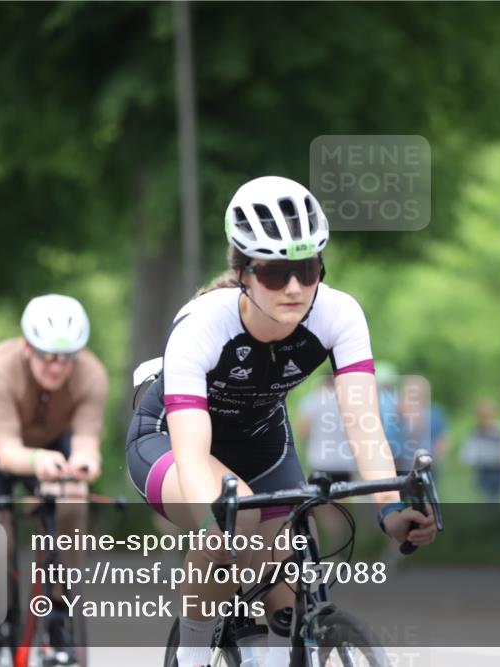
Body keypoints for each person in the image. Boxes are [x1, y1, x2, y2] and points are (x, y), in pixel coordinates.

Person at [126, 176, 436, 667]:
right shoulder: (203, 326)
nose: (294, 287)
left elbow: (364, 425)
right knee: (238, 520)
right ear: (243, 272)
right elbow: (191, 451)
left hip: (262, 443)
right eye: (274, 274)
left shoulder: (340, 314)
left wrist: (390, 510)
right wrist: (218, 525)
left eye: (307, 268)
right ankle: (189, 655)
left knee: (291, 586)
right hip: (169, 440)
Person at [0, 294, 109, 667]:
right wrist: (39, 460)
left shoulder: (92, 375)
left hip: (53, 438)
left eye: (66, 357)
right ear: (27, 347)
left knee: (74, 499)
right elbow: (7, 453)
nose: (57, 367)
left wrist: (83, 466)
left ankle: (59, 611)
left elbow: (87, 446)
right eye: (47, 356)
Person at [295, 375, 355, 483]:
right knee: (342, 496)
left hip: (319, 459)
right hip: (344, 460)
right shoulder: (348, 401)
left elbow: (302, 430)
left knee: (320, 496)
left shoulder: (313, 399)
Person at [460, 400, 500, 501]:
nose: (485, 419)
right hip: (483, 471)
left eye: (487, 416)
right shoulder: (475, 434)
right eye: (482, 416)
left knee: (496, 498)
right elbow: (468, 456)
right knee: (484, 498)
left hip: (499, 471)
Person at [394, 375, 449, 475]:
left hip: (427, 465)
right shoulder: (397, 412)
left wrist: (435, 459)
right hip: (402, 467)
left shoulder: (435, 412)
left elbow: (442, 440)